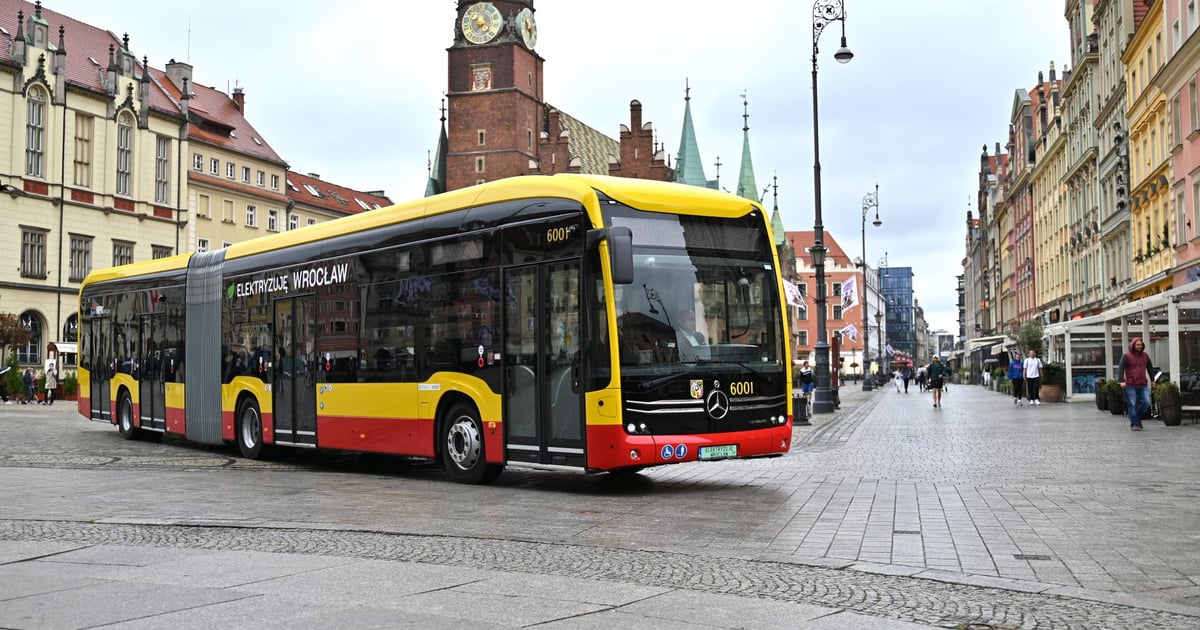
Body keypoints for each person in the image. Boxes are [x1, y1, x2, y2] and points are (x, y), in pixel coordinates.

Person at [1118, 337, 1154, 431]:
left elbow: (1150, 368)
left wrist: (1153, 380)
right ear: (1133, 345)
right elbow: (1121, 369)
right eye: (1137, 345)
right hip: (1131, 384)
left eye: (1141, 345)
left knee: (1146, 403)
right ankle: (1134, 424)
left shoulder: (1145, 356)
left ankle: (1137, 418)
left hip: (1142, 384)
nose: (1139, 346)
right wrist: (1121, 381)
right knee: (1132, 404)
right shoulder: (1126, 356)